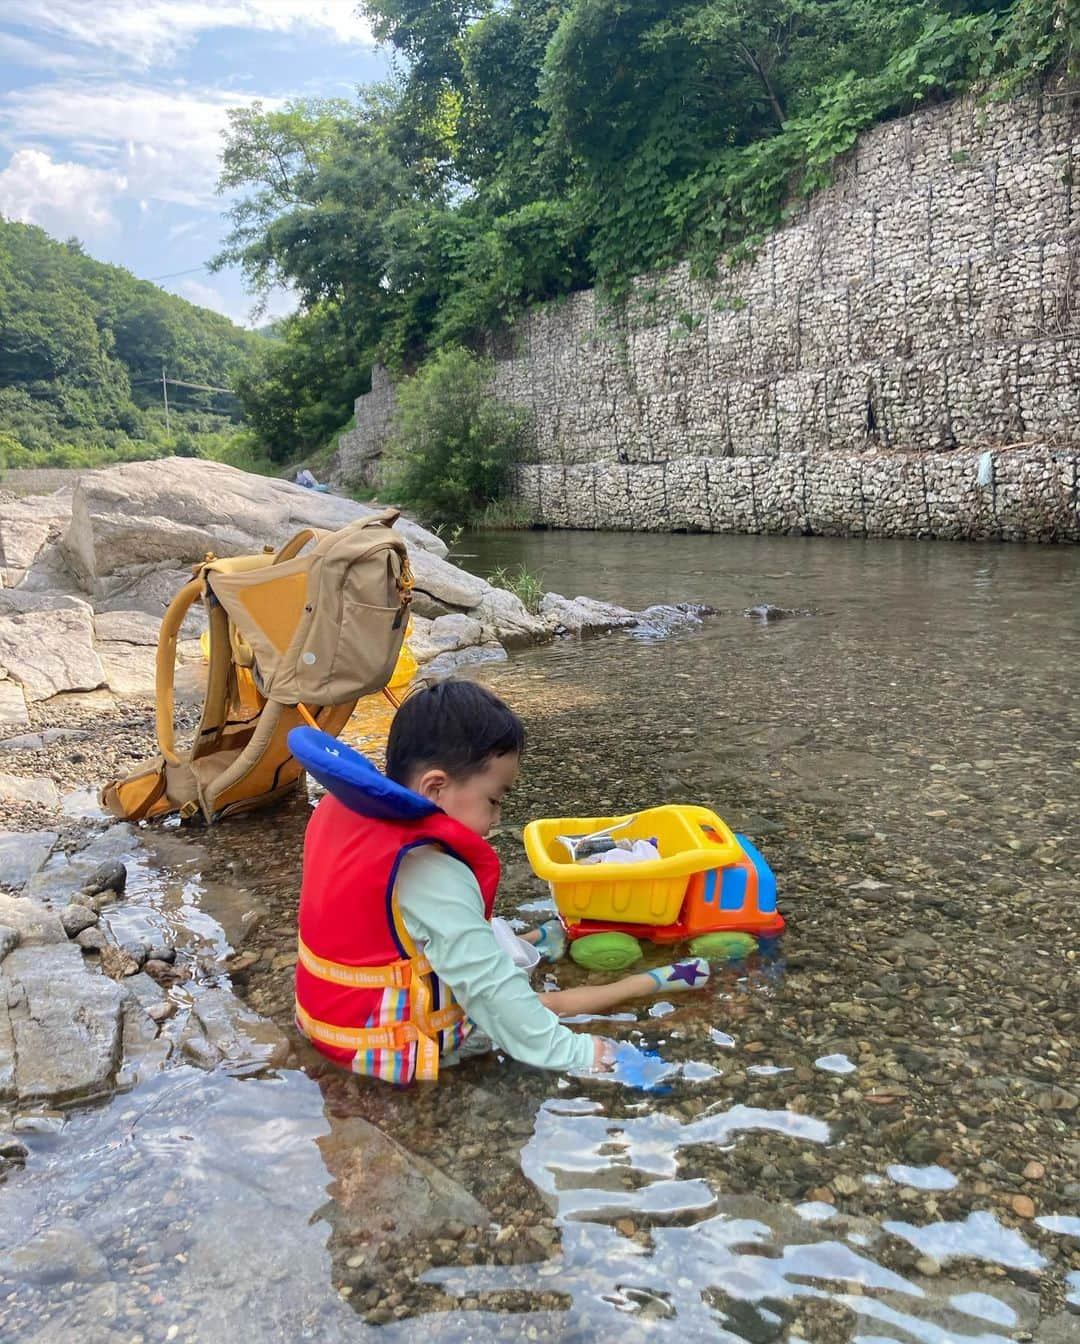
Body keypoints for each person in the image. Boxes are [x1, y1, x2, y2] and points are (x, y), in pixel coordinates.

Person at [294, 681, 710, 1084]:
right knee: (534, 1004)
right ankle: (653, 981)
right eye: (494, 801)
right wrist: (579, 1054)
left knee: (492, 963)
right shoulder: (429, 868)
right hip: (391, 1048)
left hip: (330, 1022)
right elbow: (490, 990)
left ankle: (538, 940)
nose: (494, 823)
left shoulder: (341, 811)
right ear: (435, 788)